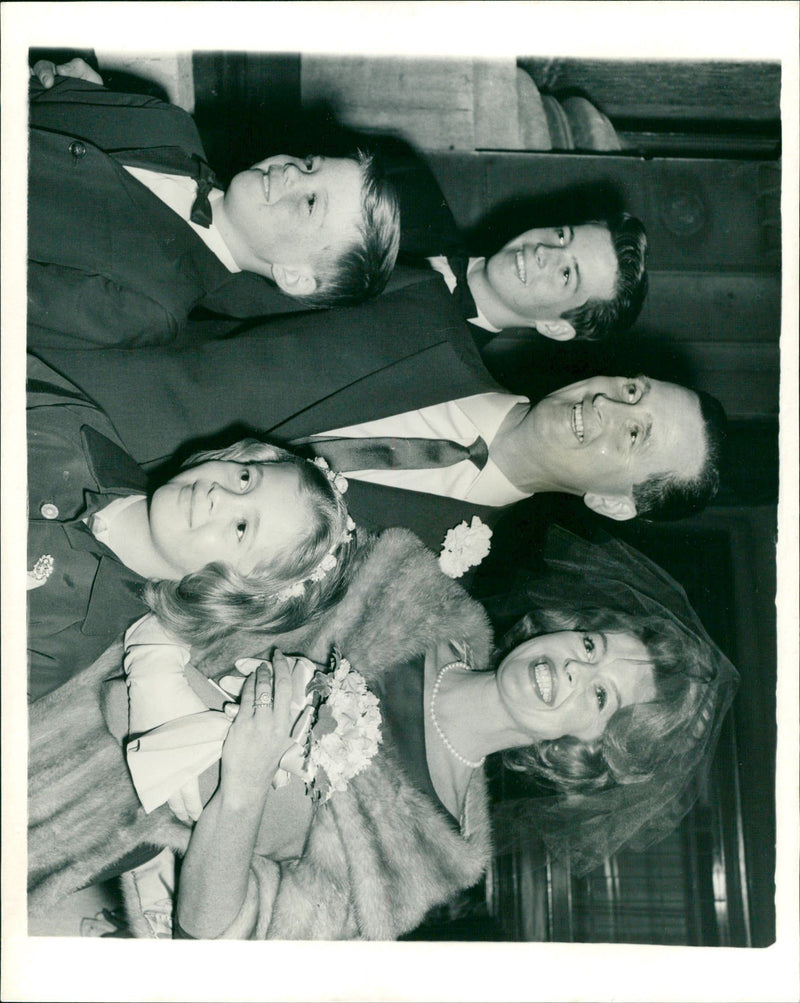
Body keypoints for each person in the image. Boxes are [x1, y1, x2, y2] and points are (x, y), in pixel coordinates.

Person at [27, 527, 737, 938]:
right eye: (590, 646)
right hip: (57, 655)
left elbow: (220, 928)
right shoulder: (406, 586)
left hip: (55, 850)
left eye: (602, 695)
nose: (570, 669)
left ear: (586, 748)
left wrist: (241, 792)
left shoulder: (423, 858)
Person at [34, 306, 728, 550]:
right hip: (55, 389)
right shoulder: (425, 318)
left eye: (634, 436)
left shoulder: (441, 582)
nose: (607, 406)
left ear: (613, 502)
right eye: (633, 389)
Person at [27, 354, 356, 701]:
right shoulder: (71, 419)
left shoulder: (60, 641)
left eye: (242, 528)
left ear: (225, 592)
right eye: (245, 479)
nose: (220, 496)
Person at [27, 59, 400, 349]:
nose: (290, 173)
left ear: (293, 276)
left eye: (311, 202)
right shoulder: (171, 124)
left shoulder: (152, 305)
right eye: (308, 165)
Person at [426, 214, 648, 345]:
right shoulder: (414, 187)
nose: (543, 250)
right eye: (561, 237)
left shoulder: (435, 372)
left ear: (555, 327)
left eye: (566, 274)